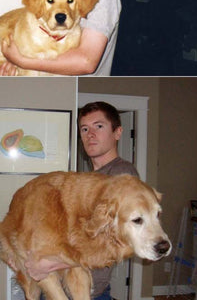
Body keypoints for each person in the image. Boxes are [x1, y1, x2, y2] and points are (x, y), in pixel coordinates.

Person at [23, 101, 139, 300]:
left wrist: (51, 264)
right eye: (84, 128)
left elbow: (113, 242)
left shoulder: (122, 176)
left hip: (85, 291)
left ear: (117, 133)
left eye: (99, 126)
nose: (90, 134)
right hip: (59, 285)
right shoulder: (86, 180)